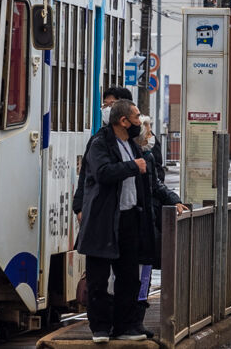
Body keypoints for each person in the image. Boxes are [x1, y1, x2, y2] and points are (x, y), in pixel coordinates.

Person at [75, 99, 186, 343]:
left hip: (130, 219)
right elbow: (102, 173)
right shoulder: (100, 143)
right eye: (136, 117)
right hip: (103, 221)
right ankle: (100, 327)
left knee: (128, 277)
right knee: (98, 278)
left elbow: (152, 183)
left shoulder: (133, 146)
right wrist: (133, 167)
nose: (140, 122)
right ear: (123, 121)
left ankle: (125, 326)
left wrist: (173, 199)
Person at [133, 115, 183, 334]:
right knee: (127, 275)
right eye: (148, 131)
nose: (151, 136)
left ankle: (137, 319)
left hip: (147, 222)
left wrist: (175, 200)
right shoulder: (128, 155)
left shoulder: (149, 156)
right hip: (132, 223)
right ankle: (125, 320)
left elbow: (156, 185)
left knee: (144, 272)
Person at [73, 86, 133, 220]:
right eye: (105, 105)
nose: (107, 109)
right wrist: (79, 207)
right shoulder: (99, 140)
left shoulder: (137, 141)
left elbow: (153, 180)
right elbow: (87, 174)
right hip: (106, 211)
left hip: (131, 213)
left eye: (112, 104)